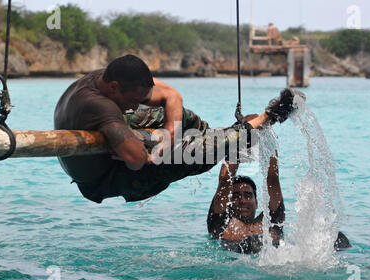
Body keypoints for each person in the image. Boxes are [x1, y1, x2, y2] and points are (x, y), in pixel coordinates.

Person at [54, 54, 296, 203]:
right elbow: (137, 161)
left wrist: (169, 136)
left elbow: (172, 96)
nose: (136, 104)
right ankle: (262, 120)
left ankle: (228, 134)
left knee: (180, 117)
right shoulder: (100, 107)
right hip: (104, 178)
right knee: (189, 155)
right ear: (115, 87)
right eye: (133, 99)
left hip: (110, 138)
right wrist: (151, 153)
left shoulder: (107, 80)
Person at [207, 147, 351, 254]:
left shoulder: (269, 223)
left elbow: (273, 178)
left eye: (248, 196)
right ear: (227, 202)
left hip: (280, 262)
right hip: (238, 259)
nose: (243, 200)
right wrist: (242, 135)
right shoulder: (220, 224)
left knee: (334, 237)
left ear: (257, 203)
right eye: (236, 196)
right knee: (255, 241)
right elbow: (226, 180)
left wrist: (266, 133)